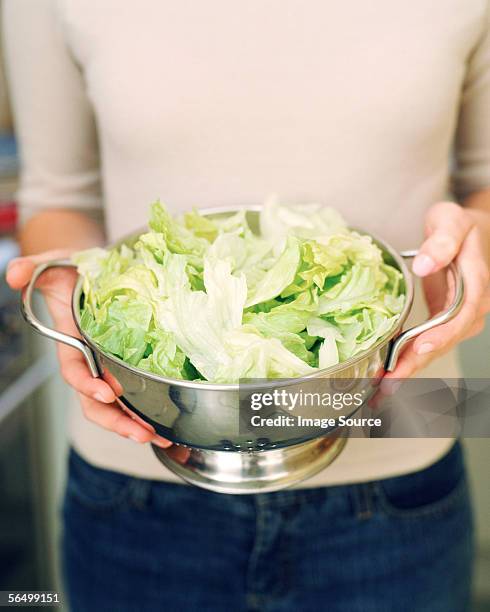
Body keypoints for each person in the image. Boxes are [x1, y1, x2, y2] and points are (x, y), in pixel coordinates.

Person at [3, 1, 490, 610]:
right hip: (139, 464)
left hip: (409, 428)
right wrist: (70, 287)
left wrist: (475, 246)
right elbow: (55, 195)